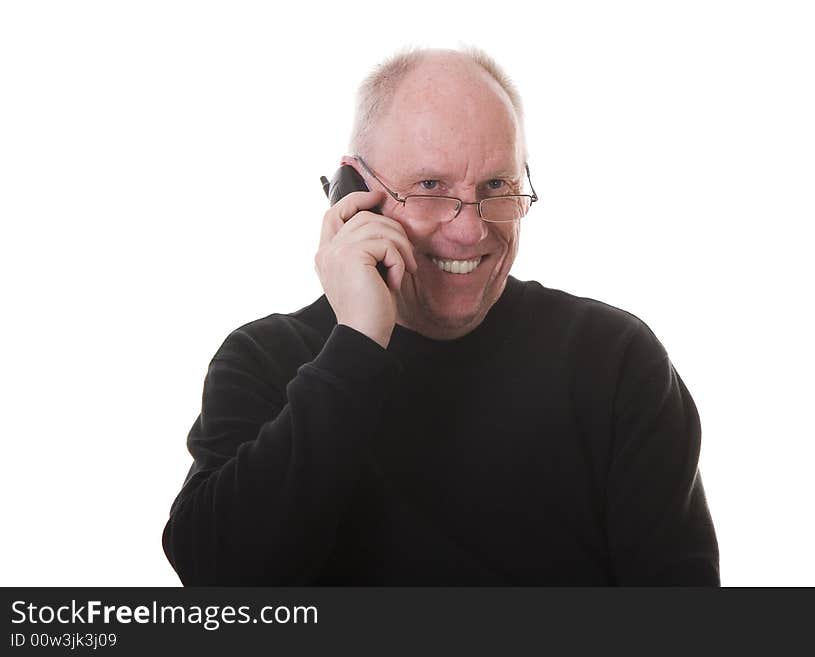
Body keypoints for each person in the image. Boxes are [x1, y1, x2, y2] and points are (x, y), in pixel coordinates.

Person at [162, 46, 720, 585]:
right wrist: (356, 343)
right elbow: (217, 581)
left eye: (497, 187)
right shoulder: (262, 361)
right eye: (431, 187)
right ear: (352, 193)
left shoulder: (614, 360)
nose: (470, 230)